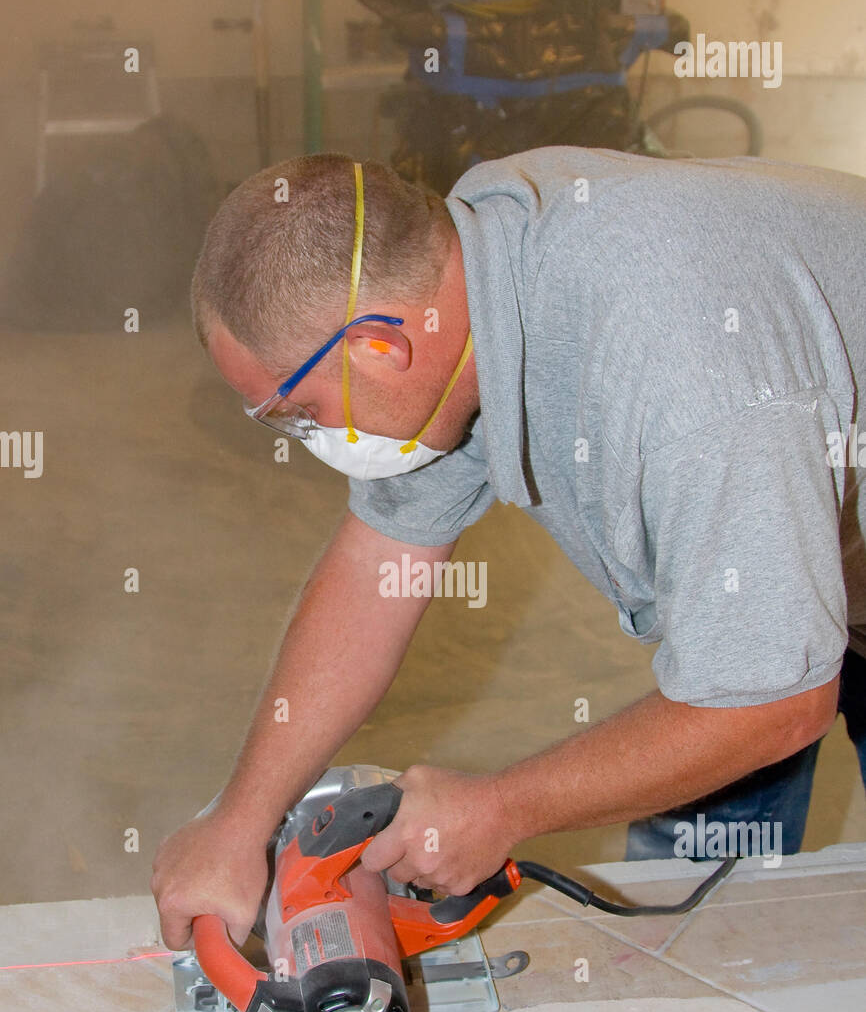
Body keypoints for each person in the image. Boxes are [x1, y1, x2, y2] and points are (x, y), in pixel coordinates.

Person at [152, 148, 866, 951]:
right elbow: (376, 568)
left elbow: (769, 704)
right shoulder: (468, 278)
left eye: (298, 412)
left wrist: (501, 809)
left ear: (379, 348)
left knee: (742, 701)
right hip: (800, 543)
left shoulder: (685, 366)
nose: (307, 438)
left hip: (779, 515)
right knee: (693, 911)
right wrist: (239, 818)